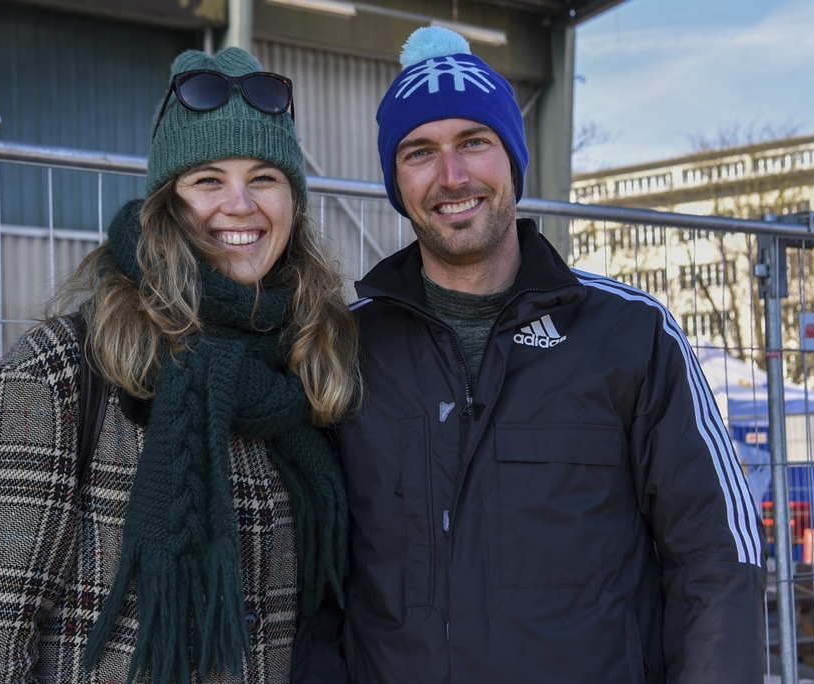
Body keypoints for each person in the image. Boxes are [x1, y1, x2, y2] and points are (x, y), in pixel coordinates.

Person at [328, 26, 766, 684]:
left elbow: (717, 558)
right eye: (420, 151)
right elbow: (308, 580)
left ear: (512, 158)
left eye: (474, 142)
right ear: (395, 178)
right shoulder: (343, 347)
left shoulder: (631, 334)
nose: (452, 176)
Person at [0, 46, 358, 684]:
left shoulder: (309, 366)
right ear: (167, 201)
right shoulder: (60, 373)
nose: (240, 205)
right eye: (208, 180)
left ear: (293, 204)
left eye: (265, 178)